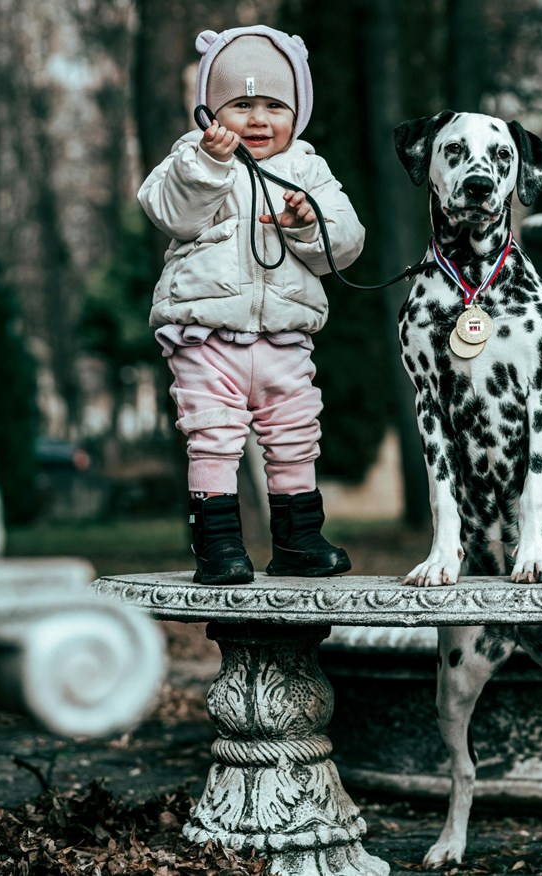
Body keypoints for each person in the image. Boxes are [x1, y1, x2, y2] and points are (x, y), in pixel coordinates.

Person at [138, 25, 365, 585]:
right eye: (240, 105)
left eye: (273, 106)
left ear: (297, 112)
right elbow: (170, 211)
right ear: (209, 114)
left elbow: (348, 240)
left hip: (284, 335)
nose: (258, 120)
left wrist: (309, 225)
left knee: (295, 434)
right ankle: (218, 545)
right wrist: (210, 168)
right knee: (214, 433)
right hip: (207, 334)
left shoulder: (309, 169)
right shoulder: (191, 159)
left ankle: (298, 539)